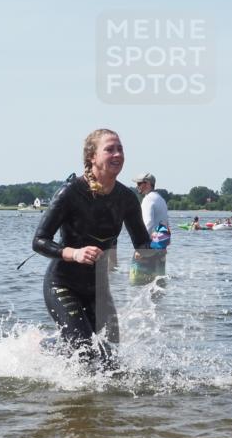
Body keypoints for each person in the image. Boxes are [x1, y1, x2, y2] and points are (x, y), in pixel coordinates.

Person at [32, 129, 152, 365]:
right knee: (86, 352)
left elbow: (142, 242)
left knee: (111, 358)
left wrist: (149, 256)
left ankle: (51, 346)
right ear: (92, 157)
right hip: (62, 284)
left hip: (98, 286)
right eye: (110, 149)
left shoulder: (126, 198)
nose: (117, 154)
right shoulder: (70, 193)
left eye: (120, 149)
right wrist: (74, 253)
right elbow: (39, 241)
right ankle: (49, 352)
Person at [131, 172, 170, 286]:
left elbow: (147, 224)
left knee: (137, 284)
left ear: (147, 184)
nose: (137, 186)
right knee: (158, 285)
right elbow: (165, 224)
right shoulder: (161, 199)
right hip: (160, 245)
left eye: (139, 183)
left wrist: (141, 248)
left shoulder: (148, 200)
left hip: (149, 246)